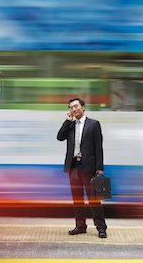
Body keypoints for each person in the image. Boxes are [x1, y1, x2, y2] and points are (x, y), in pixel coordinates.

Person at [57, 97, 107, 238]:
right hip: (73, 167)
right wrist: (67, 121)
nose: (73, 109)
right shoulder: (70, 125)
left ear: (83, 107)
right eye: (70, 107)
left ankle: (101, 228)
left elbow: (99, 148)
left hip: (89, 167)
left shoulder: (94, 124)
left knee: (93, 199)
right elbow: (60, 137)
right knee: (77, 199)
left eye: (76, 106)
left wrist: (100, 168)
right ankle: (80, 226)